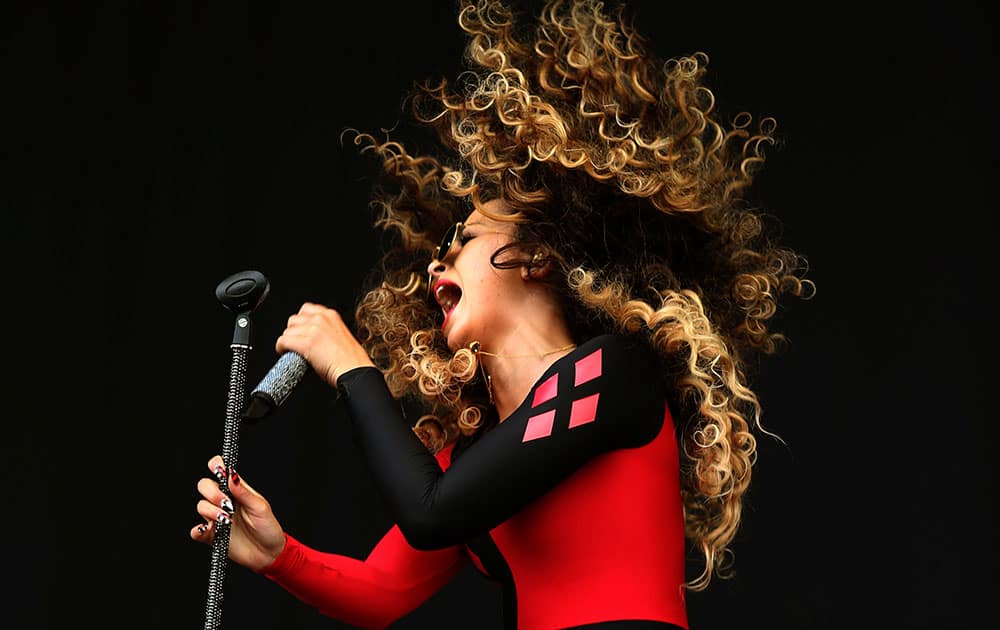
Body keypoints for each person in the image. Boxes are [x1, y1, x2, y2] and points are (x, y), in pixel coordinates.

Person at [191, 1, 814, 628]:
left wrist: (353, 369)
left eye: (461, 242)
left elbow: (430, 512)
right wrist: (279, 555)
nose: (437, 267)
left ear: (536, 257)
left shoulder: (614, 374)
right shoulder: (475, 461)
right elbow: (381, 589)